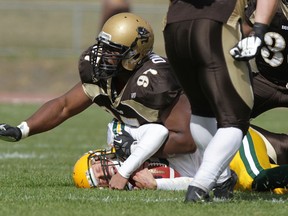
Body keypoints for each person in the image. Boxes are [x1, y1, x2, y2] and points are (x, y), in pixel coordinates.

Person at [0, 13, 197, 190]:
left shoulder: (156, 80)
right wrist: (22, 130)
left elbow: (187, 141)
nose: (103, 55)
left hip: (191, 158)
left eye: (112, 51)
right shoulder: (107, 75)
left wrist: (130, 148)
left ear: (134, 54)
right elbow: (64, 106)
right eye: (102, 47)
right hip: (153, 150)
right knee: (92, 172)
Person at [163, 0, 280, 202]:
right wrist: (259, 31)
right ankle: (200, 185)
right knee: (235, 119)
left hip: (174, 25)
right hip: (215, 23)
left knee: (202, 110)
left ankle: (222, 180)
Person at [73, 122, 288, 194]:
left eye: (98, 170)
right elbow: (195, 182)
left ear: (98, 155)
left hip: (225, 140)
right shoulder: (140, 183)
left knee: (254, 179)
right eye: (99, 181)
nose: (105, 176)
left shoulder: (118, 135)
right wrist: (157, 185)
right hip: (222, 168)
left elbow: (158, 132)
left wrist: (125, 170)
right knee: (274, 189)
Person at [242, 0, 288, 118]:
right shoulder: (264, 5)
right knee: (224, 116)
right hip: (265, 81)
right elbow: (240, 34)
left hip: (266, 80)